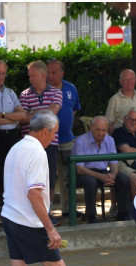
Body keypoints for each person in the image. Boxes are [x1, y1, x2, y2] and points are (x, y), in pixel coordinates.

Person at [1, 109, 82, 266]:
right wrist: (51, 229)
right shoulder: (37, 152)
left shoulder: (16, 148)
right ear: (45, 131)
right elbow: (34, 193)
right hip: (29, 222)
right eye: (54, 134)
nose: (53, 138)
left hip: (10, 216)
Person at [19, 61, 63, 222]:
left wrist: (31, 112)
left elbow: (52, 114)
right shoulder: (24, 95)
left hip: (50, 143)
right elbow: (23, 119)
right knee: (30, 179)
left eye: (33, 75)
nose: (30, 78)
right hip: (29, 145)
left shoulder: (57, 93)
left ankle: (47, 212)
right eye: (29, 75)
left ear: (43, 75)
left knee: (49, 179)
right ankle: (32, 212)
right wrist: (38, 114)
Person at [72, 116, 132, 223]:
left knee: (123, 179)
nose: (101, 133)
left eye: (104, 130)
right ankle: (91, 216)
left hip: (103, 171)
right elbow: (79, 169)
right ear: (91, 128)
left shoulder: (110, 140)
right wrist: (101, 177)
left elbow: (114, 163)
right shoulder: (81, 140)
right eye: (98, 130)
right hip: (85, 172)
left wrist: (113, 174)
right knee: (90, 181)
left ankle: (123, 214)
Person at [0, 60, 26, 210]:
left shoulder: (11, 92)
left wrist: (1, 115)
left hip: (13, 136)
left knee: (14, 172)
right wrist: (10, 116)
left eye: (3, 73)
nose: (1, 76)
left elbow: (22, 115)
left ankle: (12, 205)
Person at [47, 60, 81, 217]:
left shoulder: (71, 88)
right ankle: (46, 211)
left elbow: (74, 109)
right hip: (47, 141)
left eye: (54, 73)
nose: (50, 76)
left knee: (68, 176)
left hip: (67, 140)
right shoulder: (43, 89)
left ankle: (68, 210)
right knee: (48, 176)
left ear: (62, 74)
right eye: (48, 72)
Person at [105, 69, 136, 135]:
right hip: (123, 142)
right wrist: (116, 140)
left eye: (131, 79)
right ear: (120, 81)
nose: (129, 82)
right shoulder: (114, 100)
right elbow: (109, 123)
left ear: (135, 80)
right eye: (126, 80)